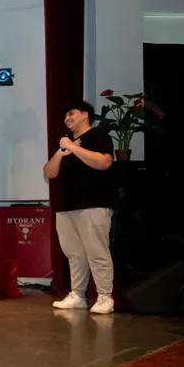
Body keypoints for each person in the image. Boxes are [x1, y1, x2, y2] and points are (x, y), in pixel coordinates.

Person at [43, 100, 115, 314]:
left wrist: (73, 147)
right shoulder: (64, 146)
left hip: (93, 204)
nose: (67, 118)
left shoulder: (98, 136)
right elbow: (49, 174)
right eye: (65, 116)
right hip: (66, 206)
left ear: (85, 115)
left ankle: (105, 296)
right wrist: (59, 153)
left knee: (97, 251)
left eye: (71, 113)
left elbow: (104, 163)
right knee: (74, 254)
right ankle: (78, 294)